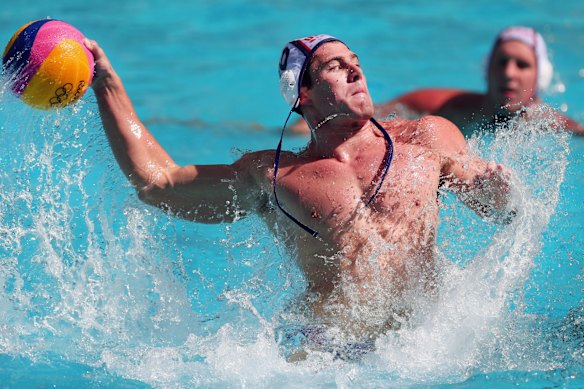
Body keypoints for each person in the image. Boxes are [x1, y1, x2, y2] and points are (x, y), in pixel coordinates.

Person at [85, 34, 515, 359]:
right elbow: (158, 184)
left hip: (426, 348)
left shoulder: (427, 137)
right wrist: (107, 87)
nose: (354, 71)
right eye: (335, 66)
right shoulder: (274, 175)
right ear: (302, 93)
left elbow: (498, 208)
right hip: (326, 356)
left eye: (356, 63)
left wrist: (499, 193)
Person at [289, 26, 584, 137]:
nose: (509, 72)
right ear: (487, 70)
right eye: (501, 62)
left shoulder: (551, 124)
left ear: (539, 76)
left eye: (522, 65)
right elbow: (373, 112)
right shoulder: (444, 105)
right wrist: (308, 124)